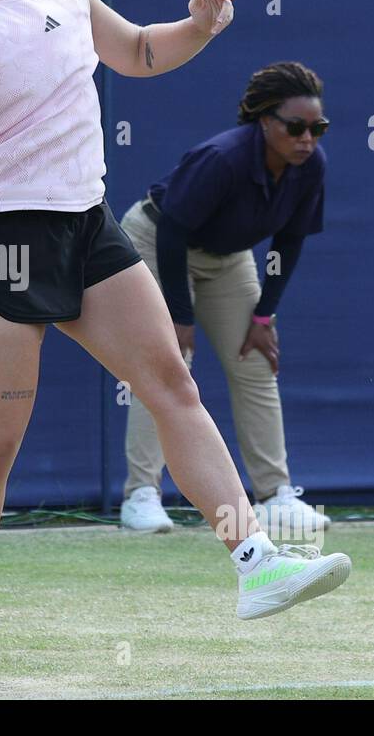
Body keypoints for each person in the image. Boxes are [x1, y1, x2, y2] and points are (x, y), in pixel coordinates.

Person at [0, 0, 351, 693]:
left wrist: (198, 29)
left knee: (172, 381)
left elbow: (134, 49)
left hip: (82, 222)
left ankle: (255, 560)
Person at [118, 62, 333, 538]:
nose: (307, 139)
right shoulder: (222, 158)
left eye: (317, 128)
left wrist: (264, 314)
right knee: (167, 365)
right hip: (158, 242)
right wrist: (179, 315)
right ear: (265, 122)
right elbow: (173, 231)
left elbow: (290, 243)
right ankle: (141, 495)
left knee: (256, 361)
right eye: (295, 128)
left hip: (228, 259)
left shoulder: (310, 166)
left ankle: (276, 495)